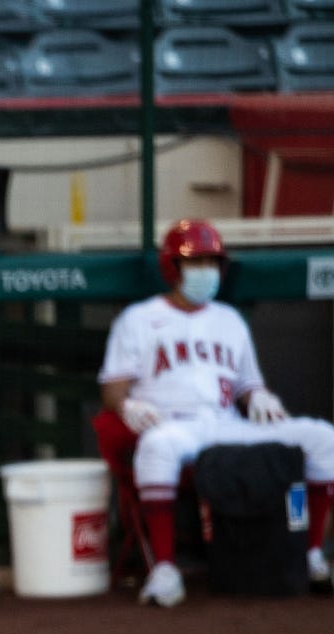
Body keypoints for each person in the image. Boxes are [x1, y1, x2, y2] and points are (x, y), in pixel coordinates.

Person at [101, 218, 334, 607]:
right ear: (172, 267)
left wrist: (260, 397)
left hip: (227, 424)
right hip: (174, 425)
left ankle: (308, 554)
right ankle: (164, 570)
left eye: (213, 263)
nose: (206, 272)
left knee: (321, 437)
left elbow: (248, 385)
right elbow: (112, 387)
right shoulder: (138, 319)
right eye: (196, 263)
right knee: (157, 446)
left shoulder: (229, 320)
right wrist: (127, 404)